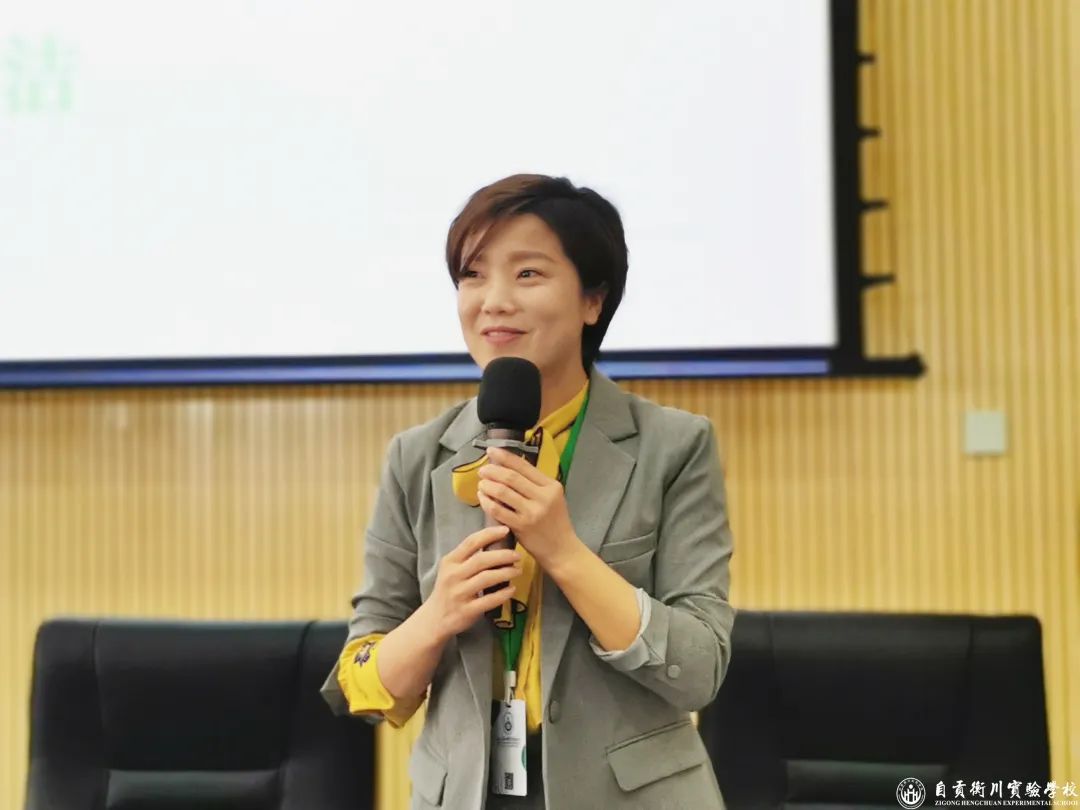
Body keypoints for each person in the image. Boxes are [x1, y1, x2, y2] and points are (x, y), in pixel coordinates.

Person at [321, 174, 735, 809]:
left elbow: (699, 670)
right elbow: (363, 685)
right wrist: (438, 614)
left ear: (593, 300)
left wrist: (563, 552)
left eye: (528, 274)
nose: (493, 301)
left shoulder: (673, 447)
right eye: (473, 275)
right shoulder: (417, 457)